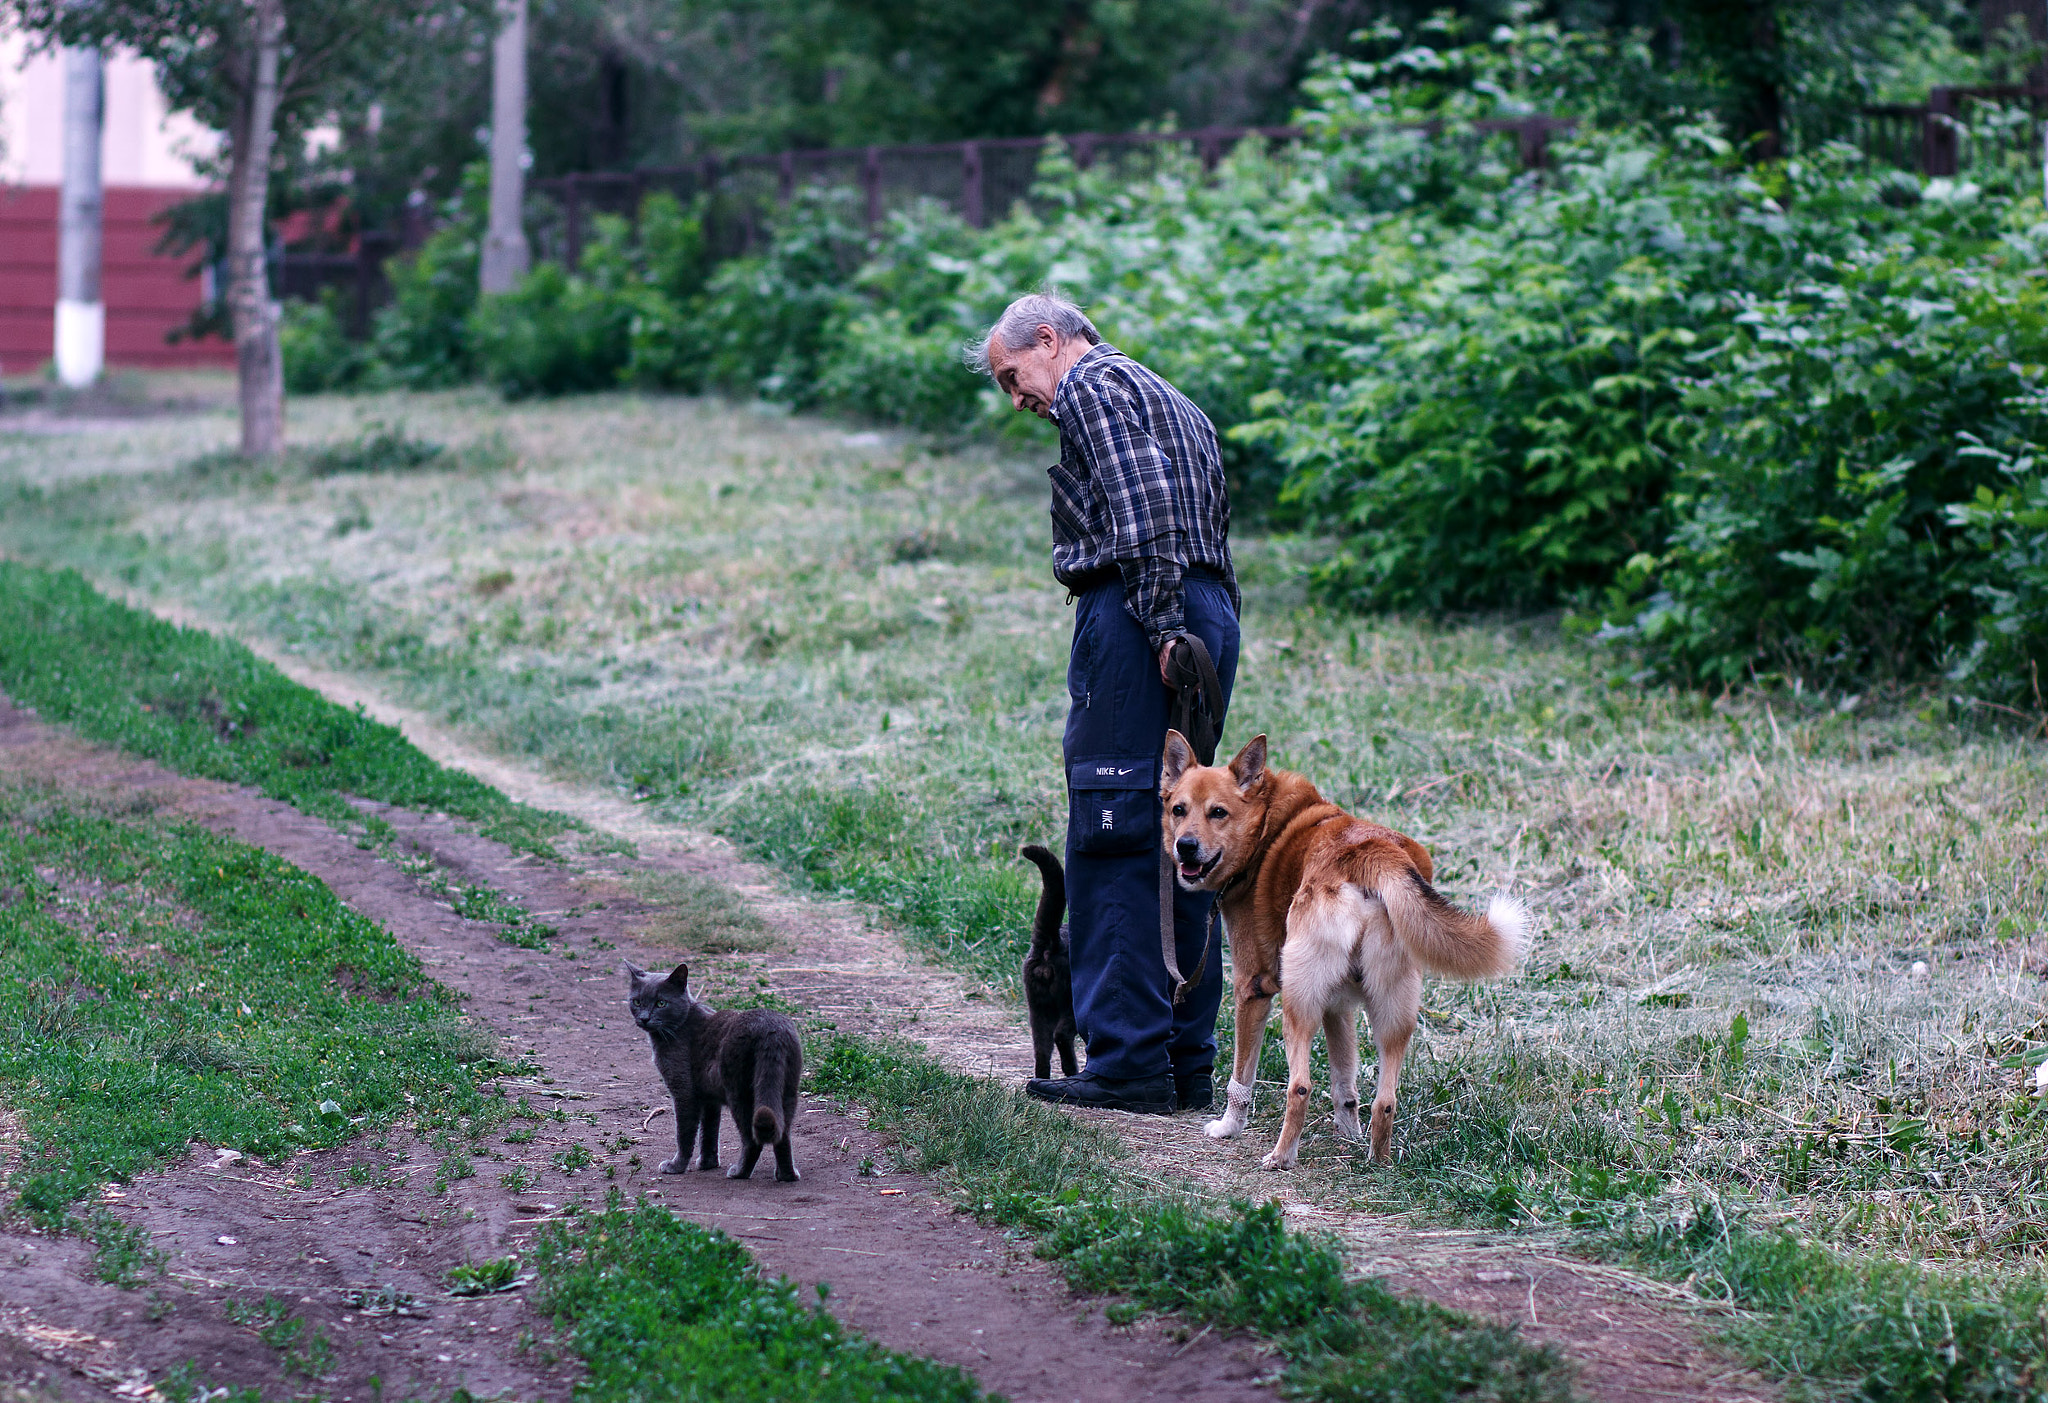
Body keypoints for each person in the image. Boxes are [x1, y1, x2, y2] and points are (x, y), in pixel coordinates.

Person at [974, 292, 1241, 1115]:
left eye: (1014, 377)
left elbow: (1146, 507)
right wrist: (1192, 622)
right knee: (1190, 833)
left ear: (1049, 341)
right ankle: (1186, 1062)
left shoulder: (1091, 386)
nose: (1018, 400)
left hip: (1139, 620)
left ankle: (1127, 1061)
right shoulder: (1173, 398)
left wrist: (1158, 623)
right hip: (1210, 613)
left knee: (1115, 828)